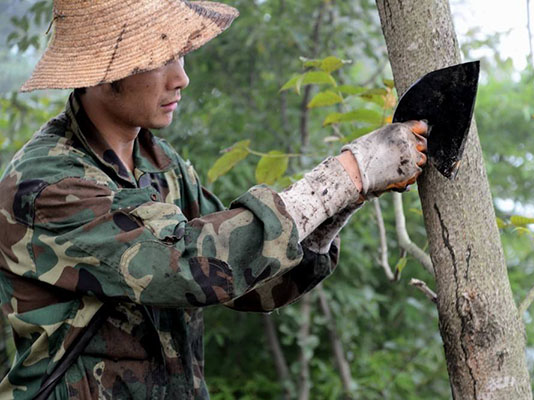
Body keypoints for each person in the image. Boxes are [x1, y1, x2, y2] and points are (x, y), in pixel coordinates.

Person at [0, 0, 427, 398]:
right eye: (159, 58)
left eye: (179, 55)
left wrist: (343, 202)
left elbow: (244, 280)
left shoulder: (162, 164)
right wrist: (346, 175)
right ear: (105, 72)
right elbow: (190, 268)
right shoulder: (45, 185)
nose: (181, 77)